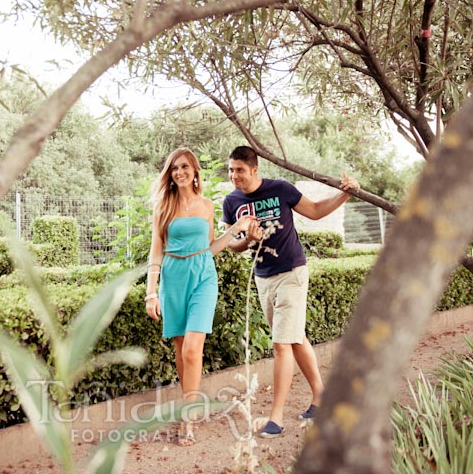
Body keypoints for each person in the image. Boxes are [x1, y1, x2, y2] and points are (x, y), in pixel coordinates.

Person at [221, 145, 359, 438]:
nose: (234, 176)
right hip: (263, 278)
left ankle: (276, 417)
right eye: (231, 170)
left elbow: (316, 211)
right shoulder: (231, 202)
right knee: (295, 338)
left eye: (240, 170)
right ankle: (322, 398)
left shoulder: (280, 189)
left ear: (254, 169)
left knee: (281, 343)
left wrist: (346, 193)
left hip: (292, 272)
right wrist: (247, 241)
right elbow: (232, 244)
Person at [144, 147, 255, 446]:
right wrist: (150, 293)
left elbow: (210, 247)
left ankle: (187, 417)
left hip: (203, 277)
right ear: (170, 174)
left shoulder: (207, 206)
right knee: (182, 352)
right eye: (174, 168)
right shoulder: (162, 207)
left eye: (184, 167)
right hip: (173, 279)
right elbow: (155, 252)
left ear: (194, 171)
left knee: (193, 350)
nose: (179, 172)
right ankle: (188, 403)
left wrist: (237, 229)